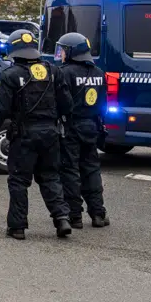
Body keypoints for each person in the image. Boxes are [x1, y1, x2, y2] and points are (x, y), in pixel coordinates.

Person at [0, 29, 71, 240]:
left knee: (19, 180)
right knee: (50, 176)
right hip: (50, 134)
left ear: (13, 50)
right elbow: (67, 105)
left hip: (24, 135)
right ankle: (62, 218)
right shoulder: (54, 71)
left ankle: (17, 227)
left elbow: (1, 110)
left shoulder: (10, 75)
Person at [54, 32, 108, 229]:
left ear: (71, 52)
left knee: (70, 171)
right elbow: (103, 104)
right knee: (91, 169)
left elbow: (59, 102)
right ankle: (98, 214)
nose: (60, 54)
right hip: (92, 126)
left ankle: (74, 216)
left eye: (63, 50)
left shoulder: (64, 73)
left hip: (70, 126)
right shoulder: (99, 73)